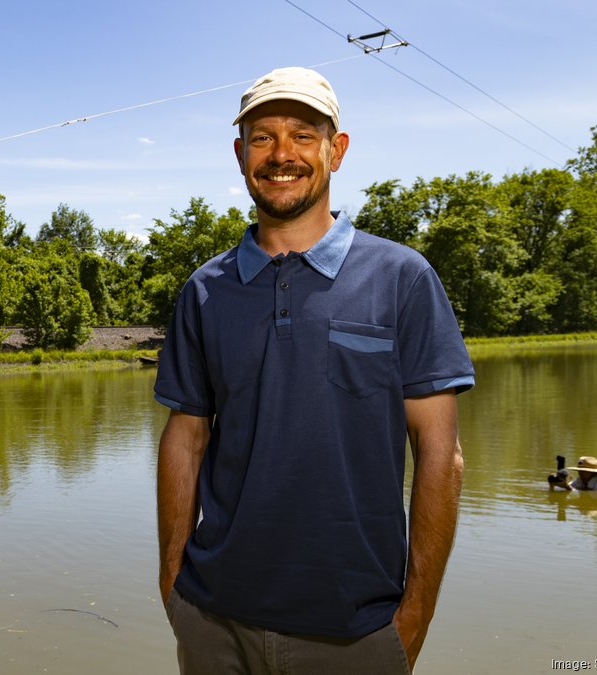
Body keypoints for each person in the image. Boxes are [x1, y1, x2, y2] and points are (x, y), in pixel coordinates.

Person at [154, 66, 475, 674]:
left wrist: (415, 615)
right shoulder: (204, 291)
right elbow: (186, 438)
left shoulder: (403, 279)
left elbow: (440, 454)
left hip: (356, 633)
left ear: (337, 149)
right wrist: (173, 583)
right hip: (214, 622)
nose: (282, 154)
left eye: (303, 135)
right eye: (262, 137)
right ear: (239, 153)